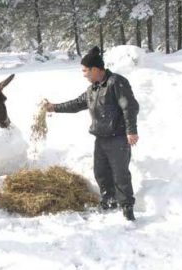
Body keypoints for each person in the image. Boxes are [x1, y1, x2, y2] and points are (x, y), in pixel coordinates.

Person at [44, 46, 139, 221]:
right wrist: (54, 107)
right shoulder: (93, 89)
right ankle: (109, 201)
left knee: (120, 174)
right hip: (101, 138)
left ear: (95, 69)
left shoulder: (116, 82)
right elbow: (76, 104)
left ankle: (127, 209)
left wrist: (131, 131)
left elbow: (129, 106)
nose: (84, 74)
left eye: (85, 70)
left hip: (117, 137)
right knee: (101, 172)